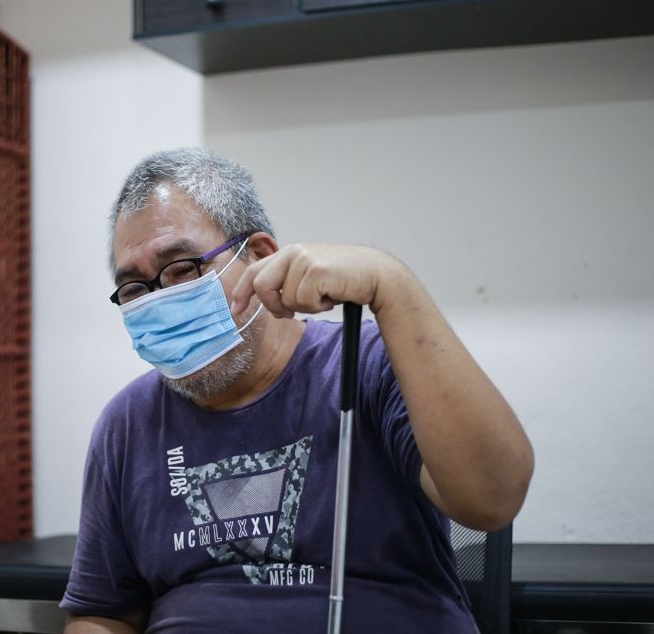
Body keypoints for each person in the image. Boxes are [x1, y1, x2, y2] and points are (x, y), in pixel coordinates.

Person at [60, 148, 534, 633]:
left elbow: (492, 499)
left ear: (260, 256)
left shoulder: (367, 364)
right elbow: (103, 612)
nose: (160, 301)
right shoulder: (128, 423)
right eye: (136, 289)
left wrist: (392, 285)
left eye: (181, 269)